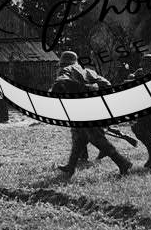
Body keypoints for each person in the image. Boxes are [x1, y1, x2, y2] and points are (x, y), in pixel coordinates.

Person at [52, 51, 132, 180]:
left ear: (63, 62)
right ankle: (71, 166)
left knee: (97, 139)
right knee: (78, 139)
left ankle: (123, 163)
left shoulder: (66, 70)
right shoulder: (87, 71)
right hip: (91, 109)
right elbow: (106, 84)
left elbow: (60, 82)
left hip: (82, 111)